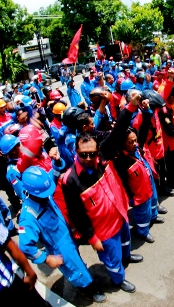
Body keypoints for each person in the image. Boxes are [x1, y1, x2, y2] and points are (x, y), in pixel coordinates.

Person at [60, 92, 144, 293]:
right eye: (83, 155)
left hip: (120, 215)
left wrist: (131, 106)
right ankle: (118, 279)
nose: (89, 158)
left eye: (93, 153)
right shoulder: (70, 181)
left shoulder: (103, 155)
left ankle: (127, 256)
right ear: (76, 153)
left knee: (125, 243)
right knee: (112, 257)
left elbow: (118, 133)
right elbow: (77, 214)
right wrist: (92, 238)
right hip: (103, 231)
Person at [18, 166, 107, 303]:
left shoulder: (41, 191)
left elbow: (52, 176)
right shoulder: (28, 217)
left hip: (67, 235)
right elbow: (25, 247)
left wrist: (57, 163)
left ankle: (86, 279)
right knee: (75, 270)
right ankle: (88, 290)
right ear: (33, 193)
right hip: (59, 248)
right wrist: (46, 259)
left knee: (78, 263)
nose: (48, 196)